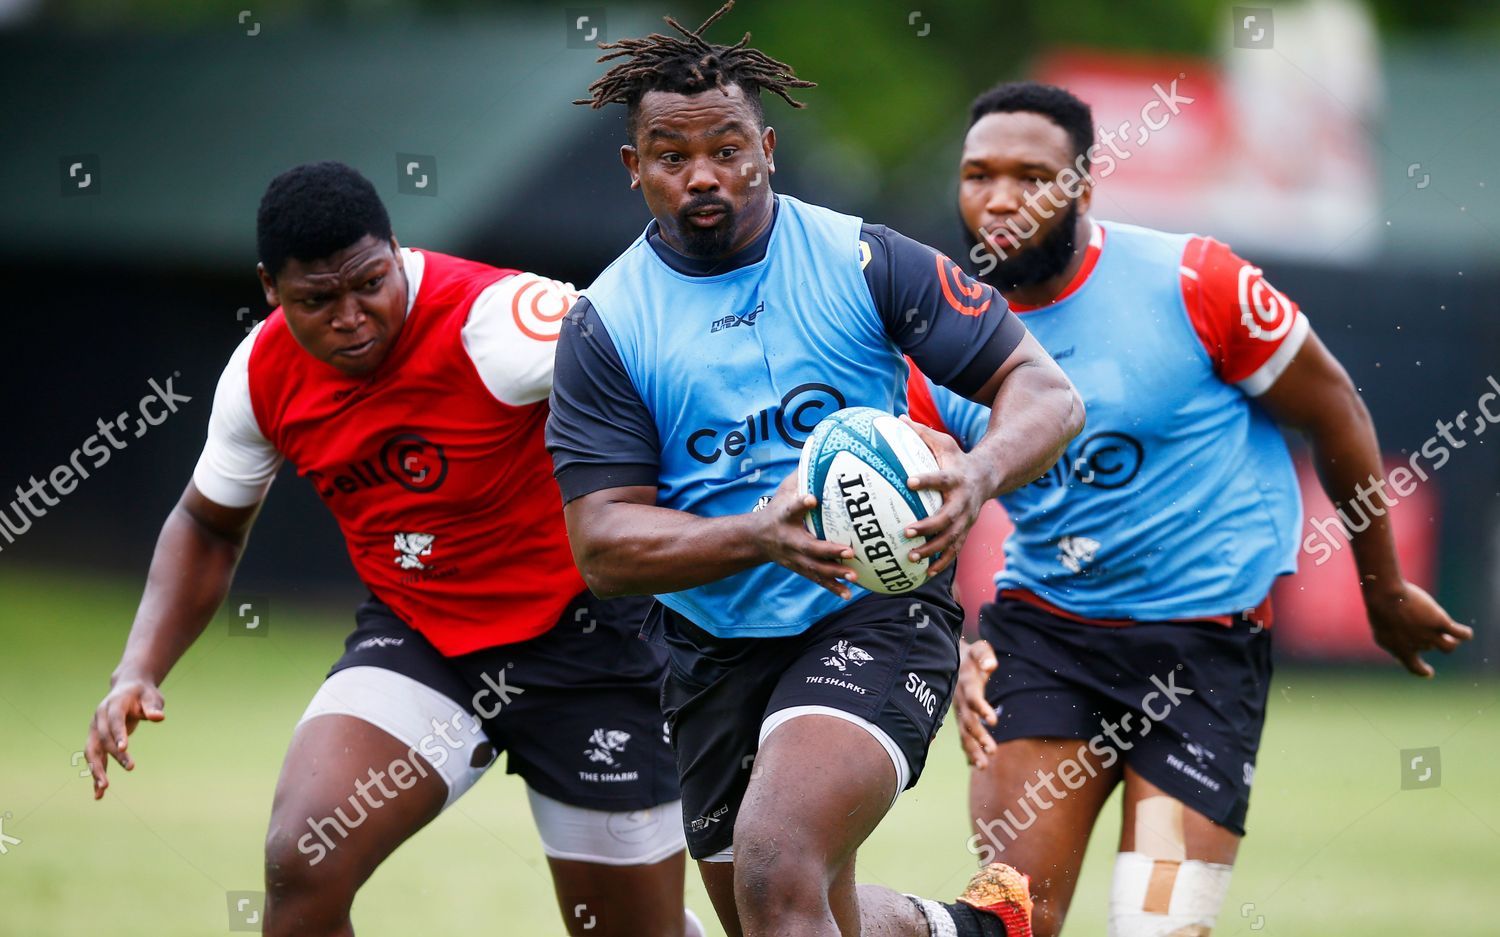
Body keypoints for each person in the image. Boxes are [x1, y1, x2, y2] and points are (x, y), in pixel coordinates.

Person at [549, 7, 1085, 937]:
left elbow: (1045, 392)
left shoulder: (863, 259)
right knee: (786, 908)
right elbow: (603, 545)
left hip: (876, 611)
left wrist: (981, 474)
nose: (705, 174)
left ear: (767, 144)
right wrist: (758, 535)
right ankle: (973, 928)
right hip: (712, 650)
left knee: (774, 863)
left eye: (727, 147)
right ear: (635, 170)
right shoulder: (607, 325)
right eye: (672, 156)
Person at [907, 81, 1474, 937]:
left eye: (1033, 176)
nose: (1001, 200)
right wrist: (952, 646)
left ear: (1085, 187)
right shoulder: (940, 339)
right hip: (1046, 639)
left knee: (1158, 926)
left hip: (1200, 651)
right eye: (979, 174)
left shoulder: (1195, 282)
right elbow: (909, 520)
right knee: (1010, 920)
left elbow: (1336, 413)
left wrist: (1383, 587)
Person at [83, 161, 703, 937]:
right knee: (303, 858)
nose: (352, 315)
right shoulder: (261, 372)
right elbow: (208, 524)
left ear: (398, 251)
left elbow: (669, 369)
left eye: (370, 283)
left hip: (593, 645)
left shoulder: (499, 320)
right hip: (423, 639)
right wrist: (138, 667)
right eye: (318, 299)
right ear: (271, 289)